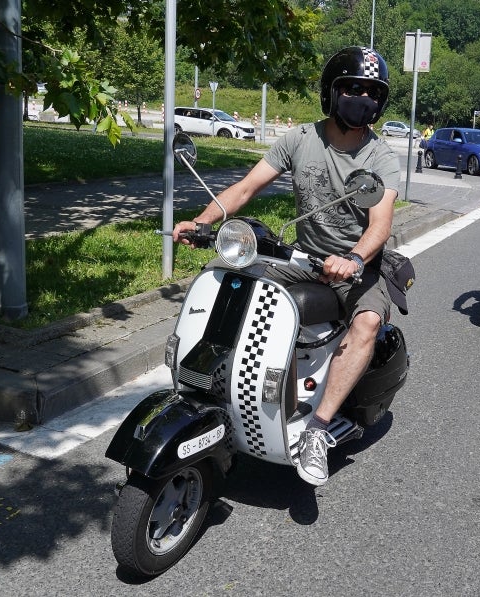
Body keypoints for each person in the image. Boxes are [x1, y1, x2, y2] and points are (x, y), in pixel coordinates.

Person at [172, 46, 401, 486]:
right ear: (331, 92)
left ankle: (317, 429)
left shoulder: (380, 158)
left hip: (356, 269)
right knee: (226, 278)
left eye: (372, 93)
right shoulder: (299, 139)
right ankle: (204, 378)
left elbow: (380, 226)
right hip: (302, 260)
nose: (362, 99)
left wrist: (353, 258)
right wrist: (201, 221)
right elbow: (245, 188)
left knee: (368, 322)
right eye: (352, 89)